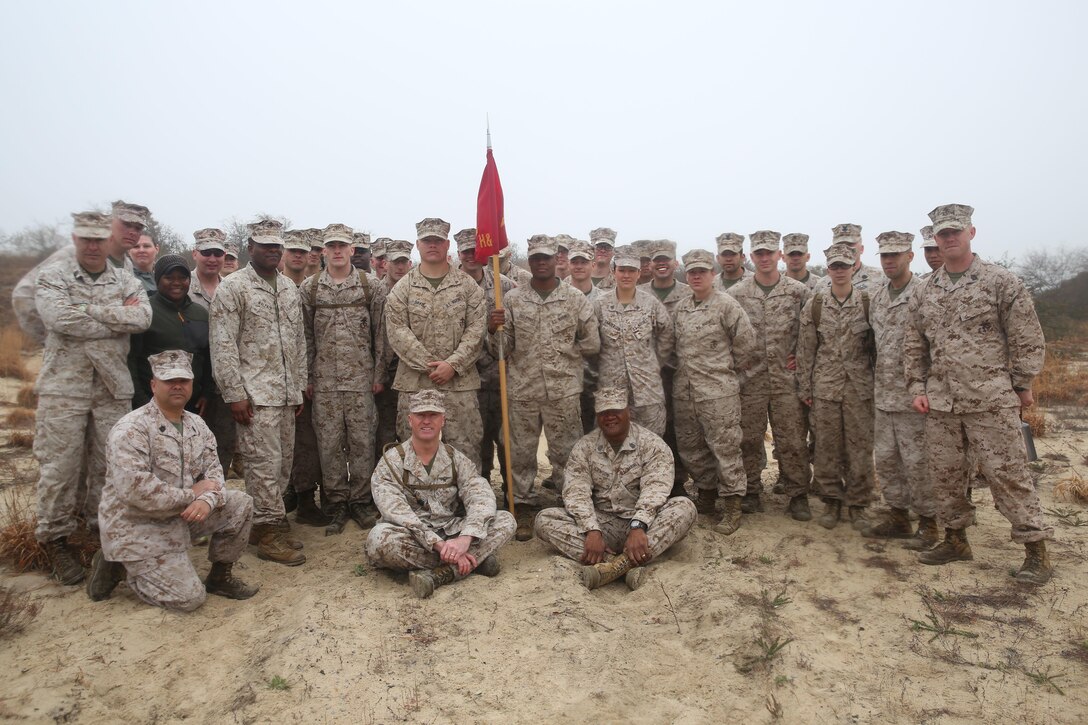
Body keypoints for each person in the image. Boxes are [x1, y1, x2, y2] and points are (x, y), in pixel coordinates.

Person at [905, 203, 1052, 584]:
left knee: (1008, 474)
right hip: (941, 401)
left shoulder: (1000, 281)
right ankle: (955, 539)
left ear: (972, 233)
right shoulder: (925, 290)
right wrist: (918, 387)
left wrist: (1021, 384)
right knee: (947, 475)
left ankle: (1036, 551)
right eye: (942, 233)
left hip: (990, 399)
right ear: (935, 239)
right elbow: (914, 346)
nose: (949, 238)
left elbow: (1027, 337)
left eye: (956, 231)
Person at [86, 350, 258, 610]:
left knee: (240, 503)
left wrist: (207, 502)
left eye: (183, 380)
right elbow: (137, 492)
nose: (177, 386)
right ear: (154, 385)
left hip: (180, 515)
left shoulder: (197, 425)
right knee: (189, 599)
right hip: (138, 525)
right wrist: (192, 496)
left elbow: (214, 476)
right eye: (169, 381)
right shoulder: (132, 429)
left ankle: (220, 578)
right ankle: (119, 563)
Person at [32, 211, 152, 584]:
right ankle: (56, 539)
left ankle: (105, 537)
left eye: (98, 239)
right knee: (60, 469)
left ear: (106, 240)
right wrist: (114, 316)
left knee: (111, 467)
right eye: (85, 238)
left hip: (111, 388)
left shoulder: (124, 277)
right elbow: (58, 319)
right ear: (75, 238)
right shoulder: (54, 275)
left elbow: (142, 319)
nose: (92, 245)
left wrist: (86, 309)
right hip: (63, 389)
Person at [487, 235, 601, 539]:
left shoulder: (575, 299)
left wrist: (566, 356)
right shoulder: (511, 299)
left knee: (566, 453)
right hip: (522, 390)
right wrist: (492, 327)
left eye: (546, 257)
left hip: (562, 390)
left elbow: (591, 342)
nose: (540, 262)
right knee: (521, 453)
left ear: (556, 259)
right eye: (535, 257)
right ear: (531, 260)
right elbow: (502, 348)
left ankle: (570, 503)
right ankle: (522, 506)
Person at [210, 218, 308, 566]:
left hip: (284, 395)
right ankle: (269, 535)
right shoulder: (233, 287)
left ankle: (264, 523)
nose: (272, 251)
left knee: (281, 467)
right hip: (254, 396)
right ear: (249, 247)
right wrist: (234, 393)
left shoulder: (288, 288)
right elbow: (222, 344)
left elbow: (298, 342)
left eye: (276, 245)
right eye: (264, 245)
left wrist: (298, 386)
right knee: (261, 467)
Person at [534, 388, 697, 591]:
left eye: (615, 411)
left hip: (642, 523)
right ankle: (624, 565)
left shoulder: (652, 445)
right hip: (602, 524)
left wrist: (639, 526)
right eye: (603, 413)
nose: (609, 417)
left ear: (628, 411)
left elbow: (656, 489)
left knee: (684, 508)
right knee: (544, 520)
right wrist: (592, 530)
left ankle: (611, 568)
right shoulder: (585, 447)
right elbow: (576, 492)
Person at [366, 390, 516, 598]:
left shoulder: (456, 459)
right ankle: (473, 561)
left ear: (443, 420)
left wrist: (465, 538)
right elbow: (397, 512)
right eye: (420, 415)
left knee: (506, 521)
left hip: (451, 531)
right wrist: (438, 545)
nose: (426, 421)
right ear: (410, 420)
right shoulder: (391, 462)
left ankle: (442, 573)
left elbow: (480, 495)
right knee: (379, 540)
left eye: (433, 415)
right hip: (414, 535)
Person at [301, 223, 387, 534]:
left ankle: (362, 501)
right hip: (324, 383)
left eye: (343, 246)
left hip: (361, 381)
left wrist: (378, 375)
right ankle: (335, 502)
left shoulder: (370, 286)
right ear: (323, 251)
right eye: (331, 246)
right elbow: (306, 338)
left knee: (363, 442)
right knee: (329, 444)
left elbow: (381, 336)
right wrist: (307, 377)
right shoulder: (310, 289)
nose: (337, 251)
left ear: (352, 249)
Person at [384, 218, 487, 471]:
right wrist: (431, 366)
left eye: (438, 241)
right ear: (418, 244)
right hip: (415, 383)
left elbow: (477, 329)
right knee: (415, 448)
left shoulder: (467, 287)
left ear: (447, 245)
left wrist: (453, 364)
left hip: (459, 384)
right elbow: (397, 331)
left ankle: (467, 501)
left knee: (465, 447)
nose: (433, 245)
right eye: (427, 240)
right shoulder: (402, 289)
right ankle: (417, 503)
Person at [672, 249, 758, 536]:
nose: (696, 276)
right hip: (685, 392)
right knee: (692, 448)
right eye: (691, 272)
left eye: (702, 271)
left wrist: (726, 372)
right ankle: (706, 494)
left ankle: (733, 504)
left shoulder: (726, 305)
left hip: (718, 392)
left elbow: (746, 343)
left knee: (725, 448)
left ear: (712, 274)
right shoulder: (682, 307)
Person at [730, 231, 812, 520]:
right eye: (759, 254)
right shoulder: (736, 294)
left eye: (769, 253)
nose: (764, 258)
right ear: (751, 257)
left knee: (791, 439)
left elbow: (809, 334)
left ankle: (797, 493)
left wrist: (800, 361)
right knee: (749, 438)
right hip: (750, 381)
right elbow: (727, 334)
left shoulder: (798, 292)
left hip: (785, 380)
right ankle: (751, 490)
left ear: (779, 255)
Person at [863, 231, 936, 548]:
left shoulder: (924, 293)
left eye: (896, 254)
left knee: (918, 462)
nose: (889, 260)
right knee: (888, 461)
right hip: (884, 395)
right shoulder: (878, 296)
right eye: (884, 256)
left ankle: (930, 523)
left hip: (914, 396)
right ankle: (898, 516)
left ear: (910, 255)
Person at [797, 242, 876, 531]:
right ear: (828, 269)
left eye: (845, 265)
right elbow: (806, 350)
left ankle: (858, 504)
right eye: (834, 266)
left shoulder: (868, 302)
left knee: (860, 448)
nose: (840, 271)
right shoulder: (816, 305)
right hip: (825, 388)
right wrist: (805, 388)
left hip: (860, 388)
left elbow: (875, 350)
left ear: (854, 266)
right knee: (826, 448)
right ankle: (831, 501)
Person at [12, 200, 148, 344]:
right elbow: (22, 295)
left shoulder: (127, 265)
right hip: (69, 359)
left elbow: (134, 315)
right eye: (126, 224)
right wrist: (47, 338)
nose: (132, 231)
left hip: (110, 358)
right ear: (110, 224)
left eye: (138, 228)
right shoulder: (73, 254)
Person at [454, 227, 515, 488]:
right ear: (458, 252)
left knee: (507, 442)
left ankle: (511, 493)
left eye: (475, 250)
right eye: (466, 251)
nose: (471, 256)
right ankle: (480, 491)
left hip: (501, 379)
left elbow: (513, 338)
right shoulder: (449, 286)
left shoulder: (505, 287)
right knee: (473, 443)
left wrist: (497, 331)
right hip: (466, 381)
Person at [593, 244, 674, 436]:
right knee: (611, 443)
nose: (626, 275)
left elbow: (667, 335)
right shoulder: (599, 305)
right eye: (622, 270)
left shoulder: (652, 304)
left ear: (639, 273)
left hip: (647, 391)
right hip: (611, 391)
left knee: (650, 443)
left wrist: (653, 364)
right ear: (614, 272)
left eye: (631, 271)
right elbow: (590, 342)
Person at [279, 230, 327, 525]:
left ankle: (307, 496)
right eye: (293, 250)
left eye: (304, 251)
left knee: (309, 441)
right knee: (281, 444)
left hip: (312, 377)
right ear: (284, 253)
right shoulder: (274, 287)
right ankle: (287, 494)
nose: (299, 255)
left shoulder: (314, 289)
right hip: (276, 379)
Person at [638, 240, 691, 496]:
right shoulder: (638, 294)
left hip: (680, 374)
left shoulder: (689, 293)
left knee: (677, 429)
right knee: (649, 430)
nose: (661, 264)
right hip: (647, 376)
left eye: (666, 260)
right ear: (649, 265)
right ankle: (648, 479)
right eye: (657, 260)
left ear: (675, 263)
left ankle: (678, 480)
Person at [128, 255, 212, 413]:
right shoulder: (145, 311)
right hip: (152, 403)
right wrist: (141, 401)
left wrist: (207, 393)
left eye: (183, 277)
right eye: (169, 277)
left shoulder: (200, 313)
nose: (177, 282)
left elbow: (207, 357)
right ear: (158, 279)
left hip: (193, 404)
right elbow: (131, 359)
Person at [187, 228, 236, 475]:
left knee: (223, 445)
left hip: (226, 385)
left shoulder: (232, 289)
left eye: (218, 253)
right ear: (195, 253)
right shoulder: (181, 287)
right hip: (192, 384)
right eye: (207, 252)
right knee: (191, 448)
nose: (212, 258)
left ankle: (218, 495)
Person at [375, 240, 412, 455]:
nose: (399, 267)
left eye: (404, 262)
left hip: (408, 372)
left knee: (409, 431)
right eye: (395, 262)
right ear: (385, 263)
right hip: (383, 374)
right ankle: (386, 480)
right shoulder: (375, 291)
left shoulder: (415, 290)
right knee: (384, 433)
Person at [566, 240, 603, 433]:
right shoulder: (557, 295)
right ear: (568, 263)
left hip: (596, 382)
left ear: (593, 265)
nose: (579, 266)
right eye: (575, 262)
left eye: (584, 262)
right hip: (564, 383)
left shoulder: (604, 300)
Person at [818, 224, 881, 292]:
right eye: (840, 245)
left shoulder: (880, 278)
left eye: (850, 244)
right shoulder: (822, 285)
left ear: (862, 249)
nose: (845, 248)